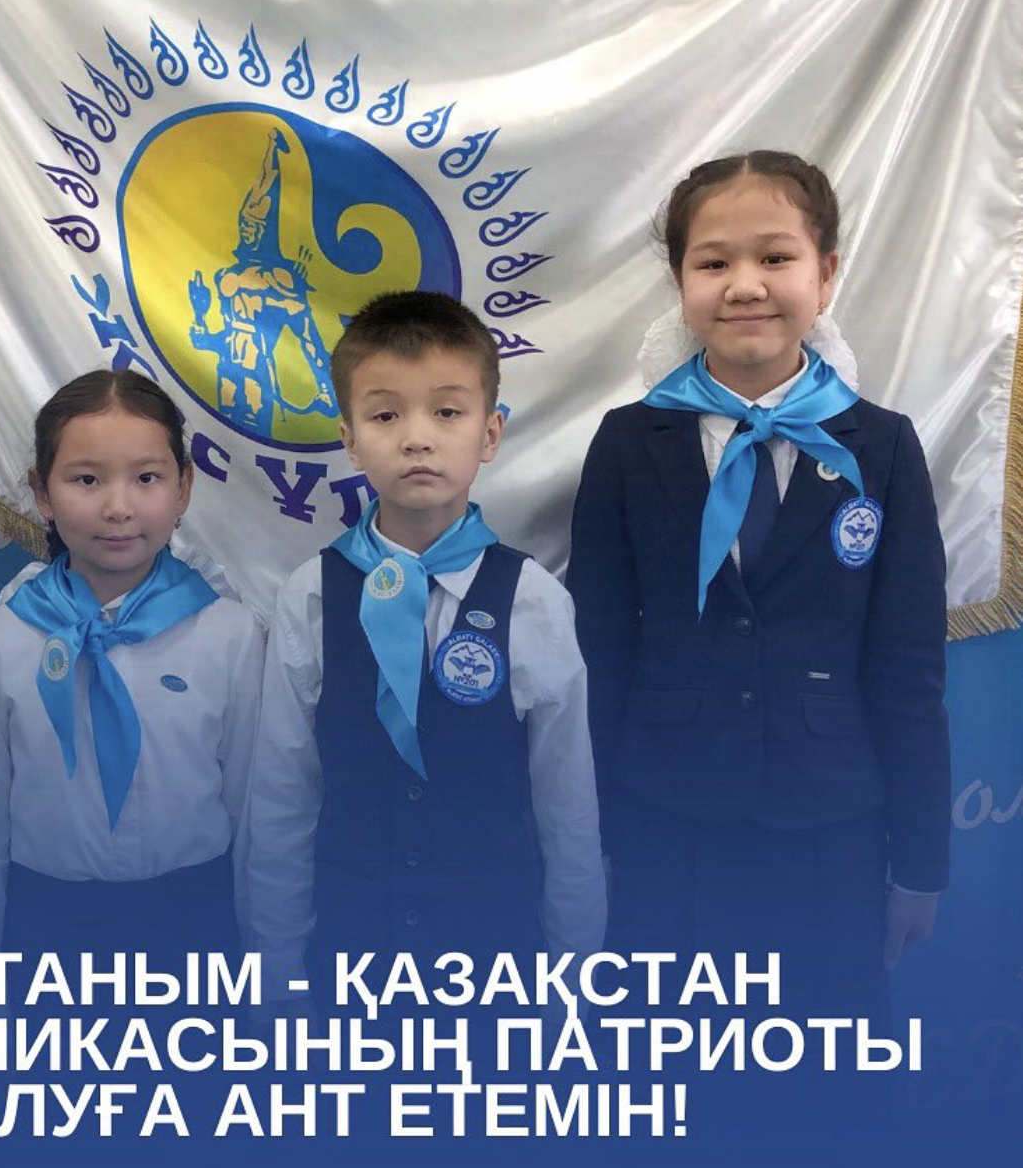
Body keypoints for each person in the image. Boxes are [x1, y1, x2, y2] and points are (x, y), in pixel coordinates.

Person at [566, 151, 949, 1020]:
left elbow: (908, 668)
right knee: (666, 1058)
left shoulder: (884, 446)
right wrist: (593, 842)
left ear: (827, 273)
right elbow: (601, 653)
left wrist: (922, 863)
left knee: (824, 1066)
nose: (746, 286)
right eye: (714, 262)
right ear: (680, 282)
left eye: (776, 257)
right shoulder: (628, 442)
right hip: (664, 817)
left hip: (834, 825)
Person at [243, 291, 607, 1005]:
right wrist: (276, 970)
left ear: (490, 433)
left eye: (447, 412)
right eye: (385, 416)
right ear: (350, 440)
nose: (417, 438)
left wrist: (573, 979)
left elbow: (568, 806)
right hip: (347, 961)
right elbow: (283, 797)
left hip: (496, 966)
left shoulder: (533, 600)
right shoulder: (311, 595)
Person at [0, 369, 265, 969]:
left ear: (184, 488)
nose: (118, 508)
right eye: (86, 480)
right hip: (44, 927)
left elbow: (256, 816)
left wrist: (270, 966)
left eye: (147, 478)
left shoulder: (230, 635)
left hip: (196, 921)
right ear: (42, 493)